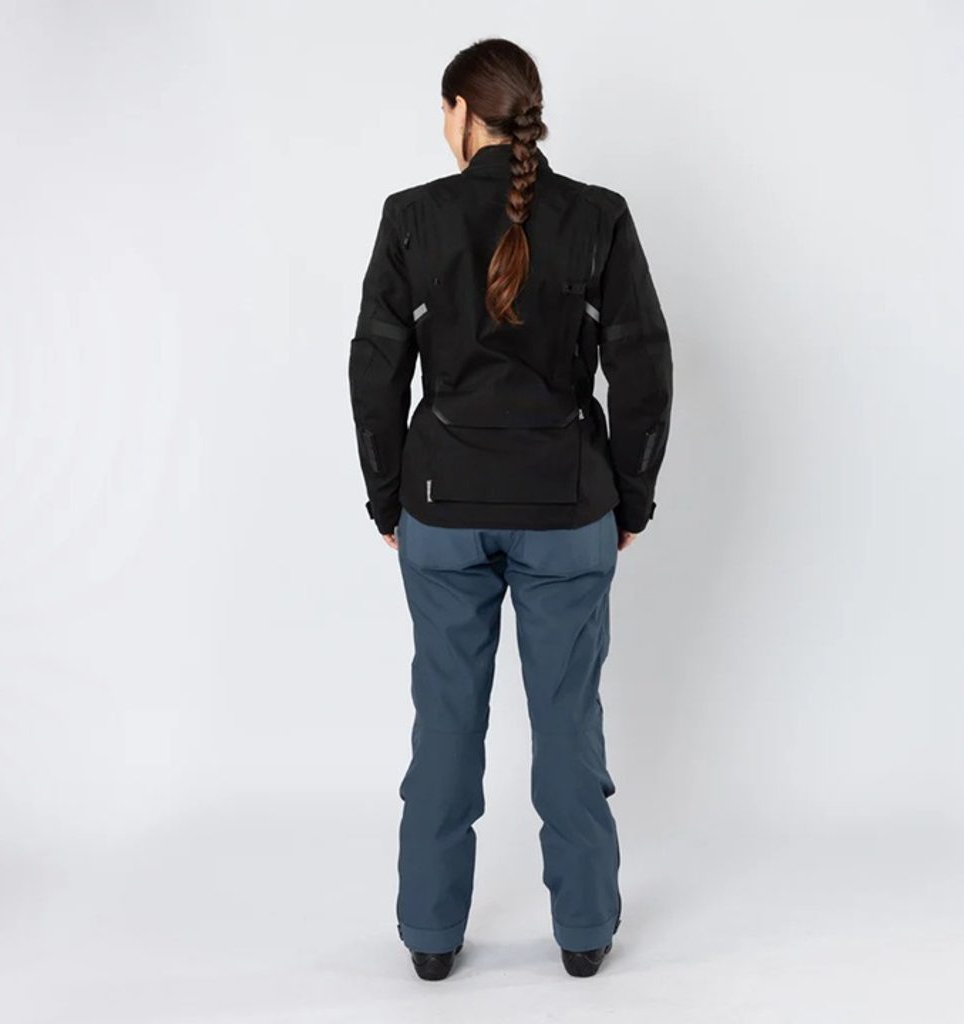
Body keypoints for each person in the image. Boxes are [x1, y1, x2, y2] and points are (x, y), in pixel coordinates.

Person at [348, 37, 673, 981]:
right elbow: (643, 367)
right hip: (568, 508)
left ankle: (429, 937)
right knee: (568, 723)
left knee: (446, 723)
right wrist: (631, 497)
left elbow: (375, 371)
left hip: (441, 507)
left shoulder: (412, 217)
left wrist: (385, 497)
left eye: (443, 112)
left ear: (461, 112)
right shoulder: (599, 217)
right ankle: (584, 934)